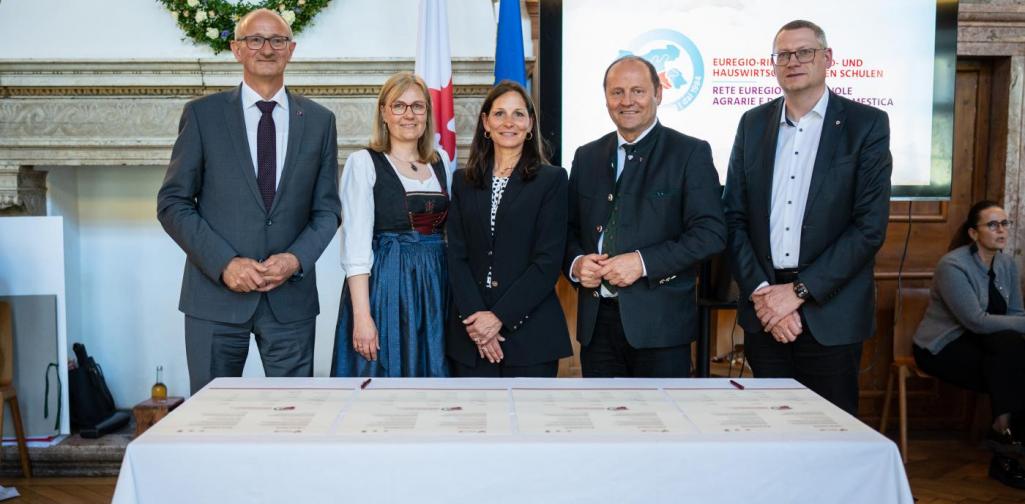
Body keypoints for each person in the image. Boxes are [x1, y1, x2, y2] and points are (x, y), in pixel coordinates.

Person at [157, 9, 340, 394]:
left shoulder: (320, 121)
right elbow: (173, 202)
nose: (266, 49)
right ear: (237, 49)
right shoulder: (203, 116)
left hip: (290, 301)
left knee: (294, 420)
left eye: (277, 40)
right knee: (210, 422)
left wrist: (295, 260)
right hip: (215, 299)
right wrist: (224, 263)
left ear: (291, 49)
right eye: (255, 40)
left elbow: (327, 211)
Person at [723, 19, 892, 415]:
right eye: (783, 54)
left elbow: (868, 229)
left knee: (831, 436)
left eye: (804, 52)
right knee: (771, 433)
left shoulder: (865, 125)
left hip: (829, 311)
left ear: (827, 58)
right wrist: (765, 294)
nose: (793, 61)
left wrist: (797, 294)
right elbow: (733, 217)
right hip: (764, 309)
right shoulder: (752, 123)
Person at [564, 56, 726, 378]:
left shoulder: (689, 152)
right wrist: (576, 263)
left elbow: (711, 233)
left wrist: (642, 262)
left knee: (661, 426)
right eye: (617, 92)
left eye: (637, 91)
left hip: (661, 328)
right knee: (603, 423)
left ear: (658, 94)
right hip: (597, 327)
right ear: (606, 98)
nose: (627, 102)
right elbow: (567, 230)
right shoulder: (586, 156)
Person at [446, 81, 571, 377]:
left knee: (529, 422)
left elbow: (548, 261)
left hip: (531, 335)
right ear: (486, 123)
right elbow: (456, 256)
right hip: (471, 335)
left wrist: (499, 317)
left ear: (530, 125)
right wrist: (478, 322)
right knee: (473, 421)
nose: (509, 122)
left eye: (518, 114)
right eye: (499, 114)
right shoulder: (463, 181)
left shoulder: (551, 180)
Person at [332, 72, 451, 377]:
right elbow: (356, 248)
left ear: (427, 113)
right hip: (389, 285)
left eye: (418, 106)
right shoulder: (364, 162)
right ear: (383, 112)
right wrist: (362, 317)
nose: (408, 114)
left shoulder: (439, 163)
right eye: (398, 106)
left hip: (436, 285)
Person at [913, 201, 1025, 489]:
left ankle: (1003, 434)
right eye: (993, 224)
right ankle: (1005, 449)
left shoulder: (1007, 264)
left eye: (1005, 223)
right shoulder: (953, 265)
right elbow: (976, 321)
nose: (1001, 230)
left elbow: (1015, 314)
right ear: (974, 233)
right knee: (1011, 366)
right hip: (940, 348)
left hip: (990, 347)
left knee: (1010, 358)